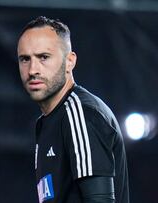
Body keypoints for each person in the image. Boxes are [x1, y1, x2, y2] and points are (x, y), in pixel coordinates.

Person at [17, 16, 129, 203]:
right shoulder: (46, 123)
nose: (32, 69)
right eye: (24, 59)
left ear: (70, 61)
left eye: (43, 57)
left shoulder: (81, 114)